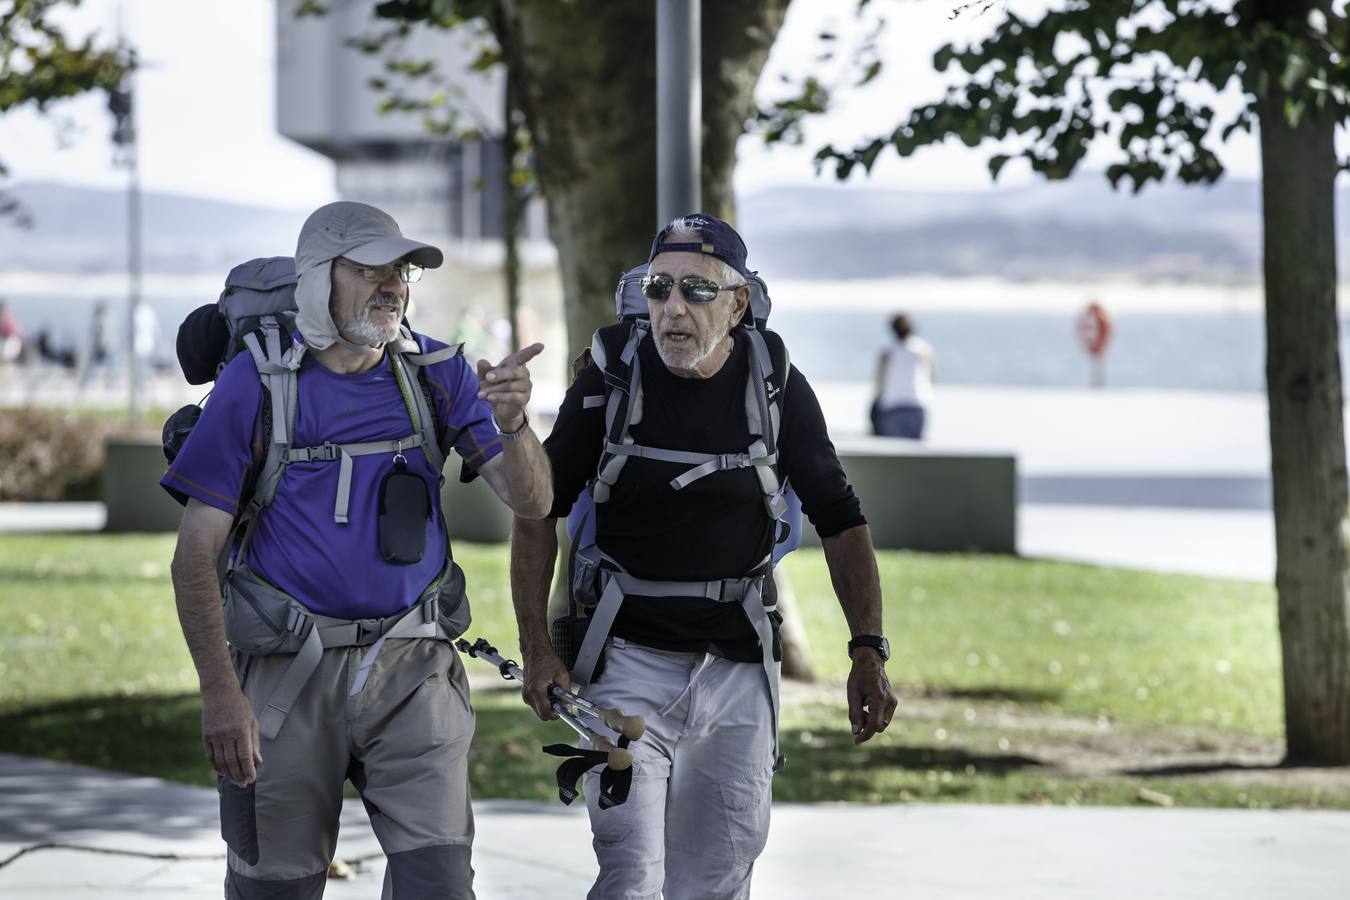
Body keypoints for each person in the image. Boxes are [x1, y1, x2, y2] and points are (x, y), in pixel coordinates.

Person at [162, 201, 553, 900]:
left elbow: (532, 502)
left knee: (438, 887)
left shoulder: (439, 372)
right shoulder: (259, 383)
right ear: (318, 278)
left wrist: (514, 422)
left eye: (402, 269)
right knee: (273, 890)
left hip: (413, 671)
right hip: (284, 681)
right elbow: (195, 553)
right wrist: (221, 695)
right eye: (371, 268)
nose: (394, 284)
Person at [510, 214, 898, 900]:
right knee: (630, 875)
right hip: (624, 669)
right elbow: (538, 507)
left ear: (738, 303)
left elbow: (843, 521)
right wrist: (537, 647)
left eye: (696, 290)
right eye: (659, 289)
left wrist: (867, 650)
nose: (673, 309)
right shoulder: (610, 377)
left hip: (738, 676)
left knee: (716, 880)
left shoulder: (773, 382)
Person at [871, 312, 935, 439]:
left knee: (890, 451)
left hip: (892, 406)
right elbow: (931, 377)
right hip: (917, 404)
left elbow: (879, 383)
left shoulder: (887, 351)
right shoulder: (924, 349)